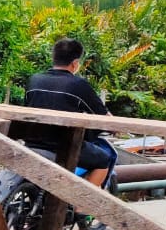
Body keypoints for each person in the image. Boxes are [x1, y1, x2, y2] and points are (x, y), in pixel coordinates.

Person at [23, 36, 114, 189]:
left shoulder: (34, 80)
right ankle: (81, 207)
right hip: (63, 147)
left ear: (54, 58)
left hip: (31, 143)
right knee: (104, 160)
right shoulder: (78, 85)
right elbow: (104, 117)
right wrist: (114, 127)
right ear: (75, 63)